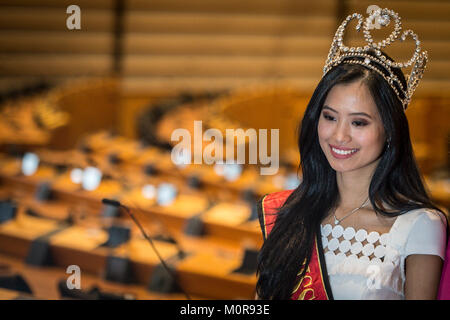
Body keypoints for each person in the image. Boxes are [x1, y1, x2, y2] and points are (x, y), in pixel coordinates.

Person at [256, 8, 448, 300]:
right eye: (330, 117)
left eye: (359, 122)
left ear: (390, 131)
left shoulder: (419, 225)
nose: (339, 135)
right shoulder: (287, 211)